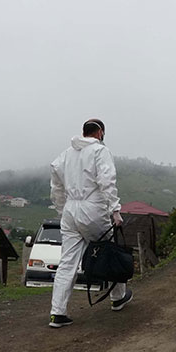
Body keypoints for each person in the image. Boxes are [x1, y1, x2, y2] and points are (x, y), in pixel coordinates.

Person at [48, 118, 133, 328]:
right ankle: (117, 297)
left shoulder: (65, 155)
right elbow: (107, 181)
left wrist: (62, 210)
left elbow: (56, 186)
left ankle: (57, 312)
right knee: (110, 249)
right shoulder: (99, 151)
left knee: (67, 262)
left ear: (83, 132)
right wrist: (115, 209)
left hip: (70, 209)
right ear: (100, 132)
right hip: (93, 208)